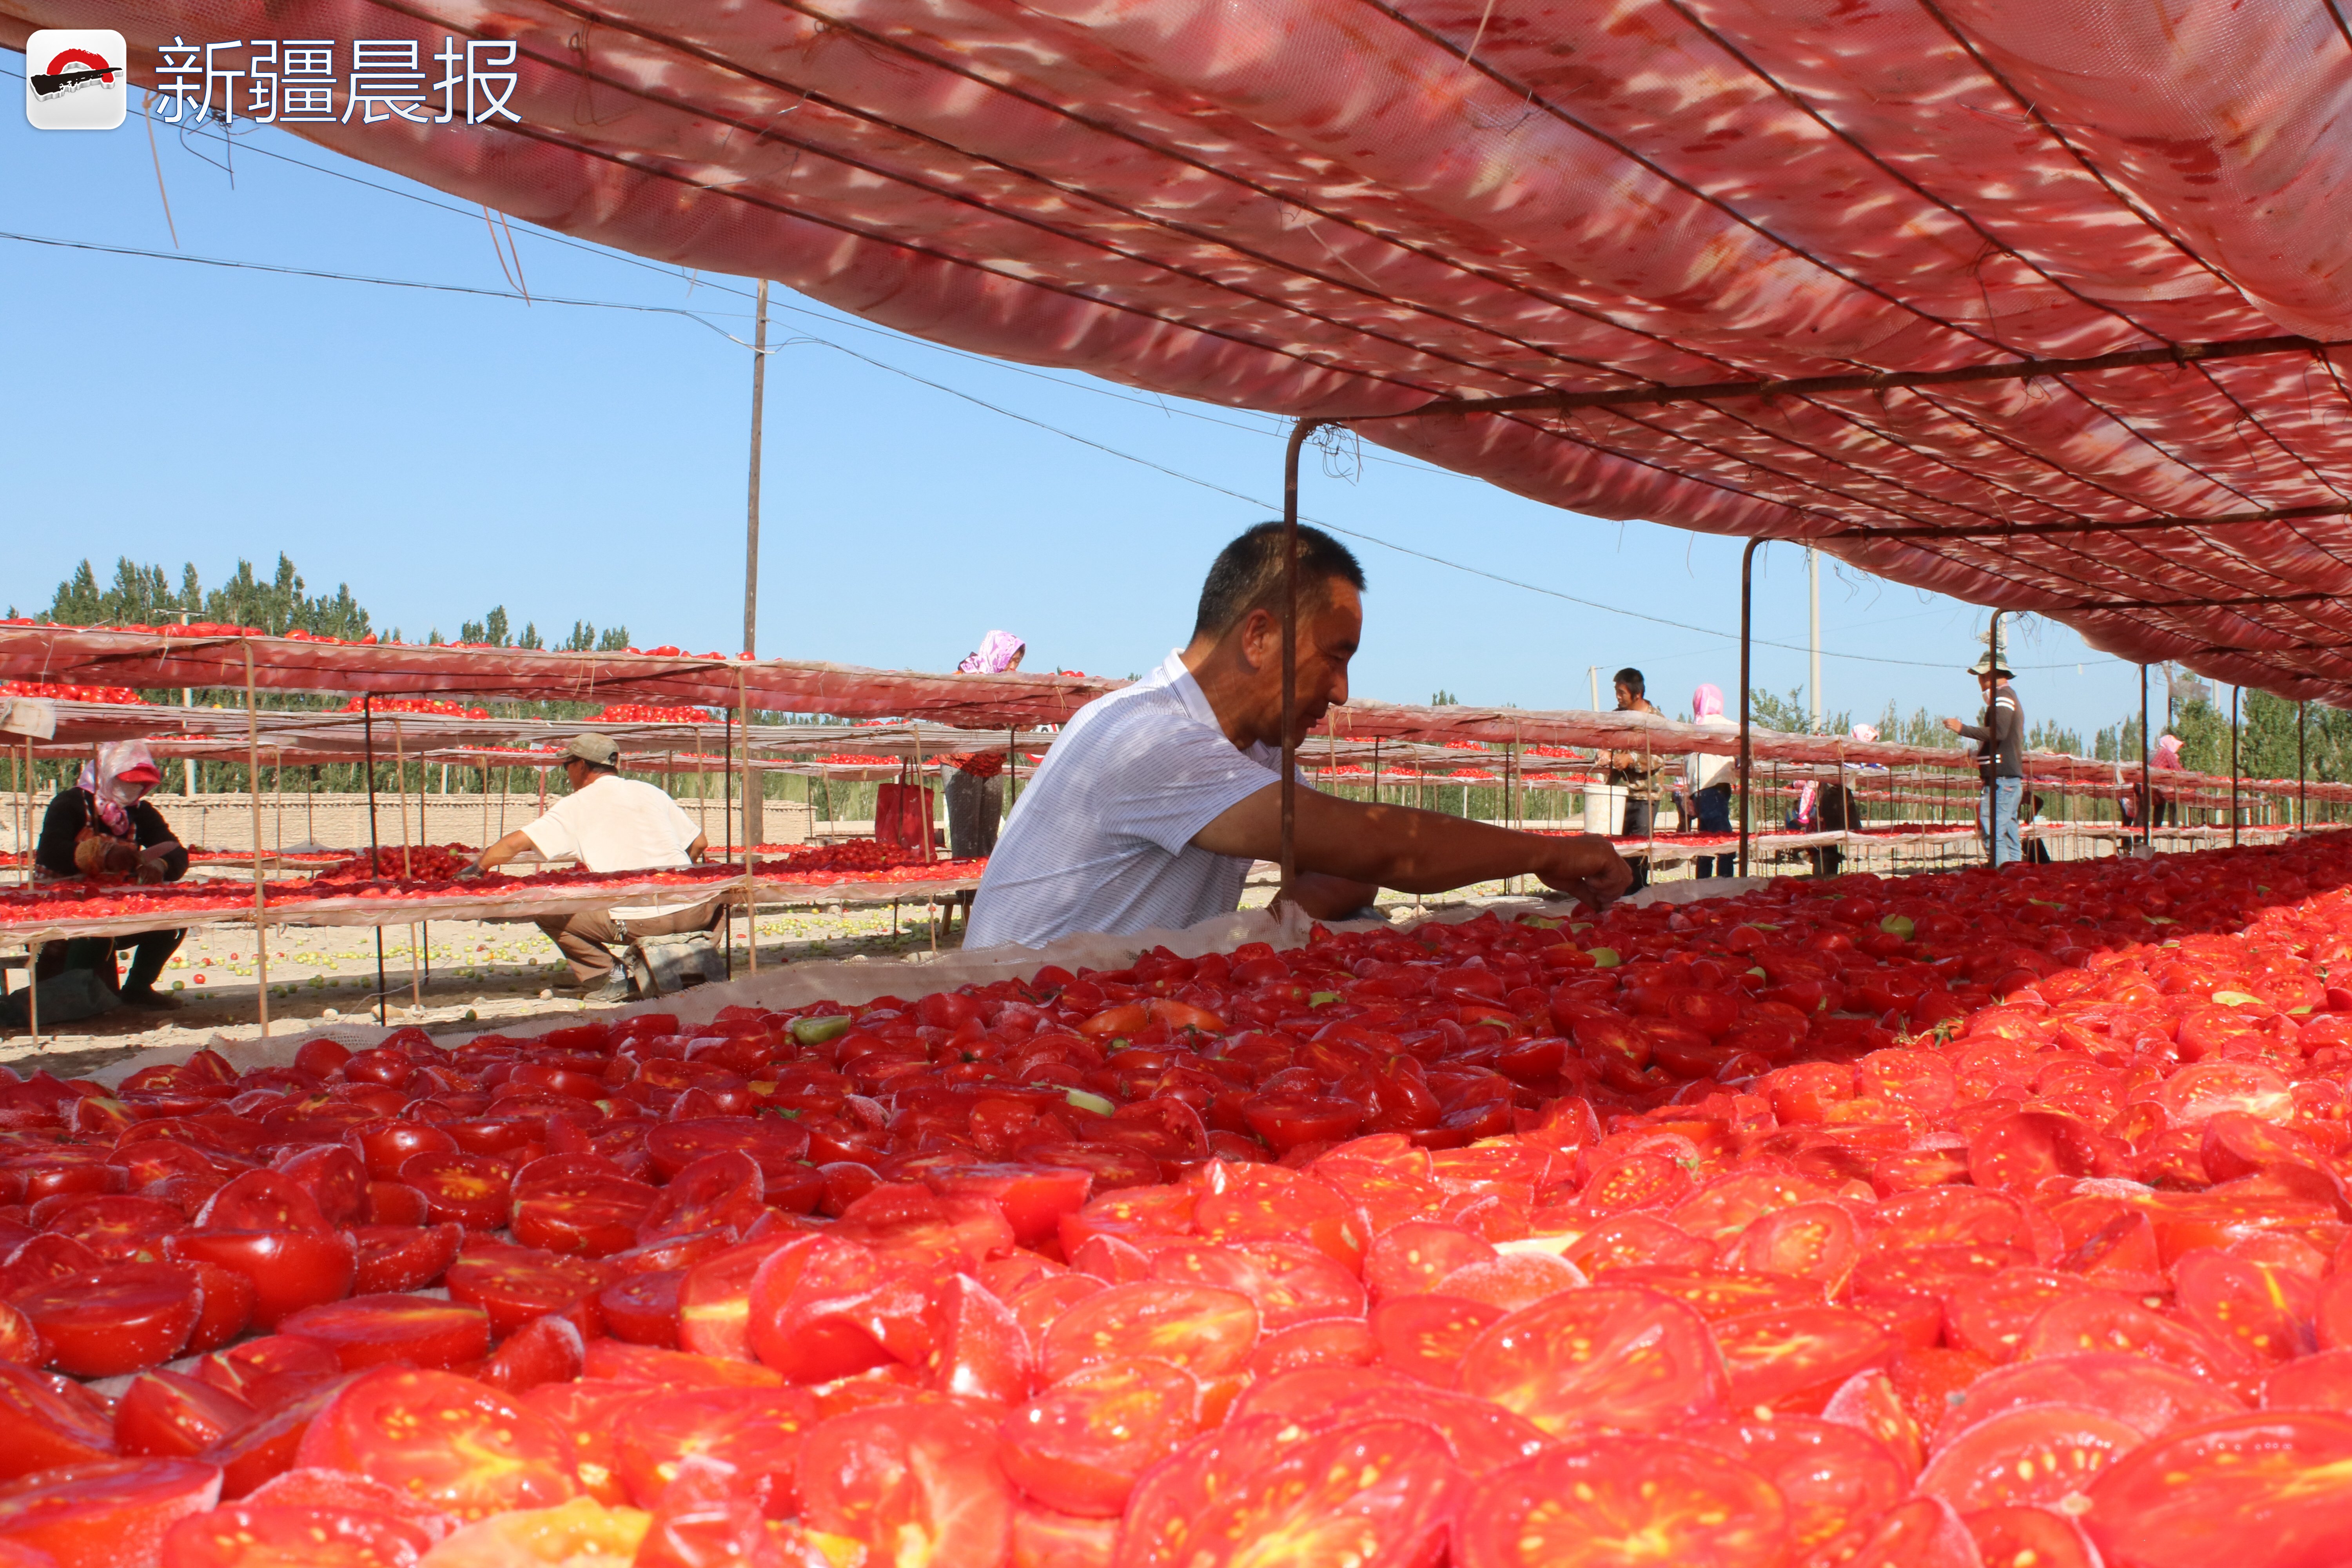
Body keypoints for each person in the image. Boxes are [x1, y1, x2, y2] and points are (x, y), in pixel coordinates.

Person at [965, 523, 1630, 949]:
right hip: (1020, 1023)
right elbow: (1380, 851)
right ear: (1258, 637)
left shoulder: (1254, 745)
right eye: (1334, 657)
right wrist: (1551, 854)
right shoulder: (1149, 738)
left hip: (1114, 1011)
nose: (1341, 692)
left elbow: (1347, 869)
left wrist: (1255, 931)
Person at [461, 734, 717, 1002]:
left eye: (566, 766)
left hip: (641, 922)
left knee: (544, 911)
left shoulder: (576, 805)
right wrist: (672, 879)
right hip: (697, 913)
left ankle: (612, 975)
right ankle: (700, 958)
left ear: (581, 765)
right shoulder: (650, 792)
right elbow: (699, 843)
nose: (567, 773)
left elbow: (514, 844)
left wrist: (478, 868)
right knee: (720, 896)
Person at [25, 740, 188, 1013]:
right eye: (127, 782)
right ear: (106, 775)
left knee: (172, 923)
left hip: (115, 903)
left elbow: (177, 852)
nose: (134, 789)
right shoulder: (70, 804)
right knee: (93, 928)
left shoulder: (140, 813)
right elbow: (51, 852)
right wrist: (99, 856)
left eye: (140, 784)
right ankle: (68, 995)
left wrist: (160, 864)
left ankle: (138, 988)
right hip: (64, 903)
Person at [947, 631, 1025, 860]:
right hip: (961, 762)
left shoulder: (1010, 689)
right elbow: (956, 714)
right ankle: (966, 894)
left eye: (1018, 662)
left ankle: (986, 891)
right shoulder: (966, 677)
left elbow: (1020, 726)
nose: (1014, 667)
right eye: (1011, 660)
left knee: (989, 835)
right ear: (998, 655)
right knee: (965, 833)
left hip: (992, 764)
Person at [1944, 648, 2024, 868]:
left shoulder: (2003, 698)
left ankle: (2002, 874)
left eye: (1981, 676)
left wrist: (1963, 729)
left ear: (1989, 675)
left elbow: (1998, 732)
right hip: (2006, 780)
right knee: (2008, 833)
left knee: (1994, 831)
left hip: (2002, 780)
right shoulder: (2006, 698)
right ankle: (2015, 878)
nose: (1980, 681)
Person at [1607, 668, 1666, 891]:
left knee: (1638, 852)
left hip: (1645, 796)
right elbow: (1606, 744)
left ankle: (1638, 898)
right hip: (1619, 794)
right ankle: (1618, 895)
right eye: (1616, 691)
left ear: (1637, 694)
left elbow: (1659, 757)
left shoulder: (1656, 721)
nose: (1618, 697)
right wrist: (1606, 755)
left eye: (1622, 692)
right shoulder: (1616, 717)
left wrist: (1631, 759)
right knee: (1616, 850)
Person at [1681, 683, 1738, 877]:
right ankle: (1725, 881)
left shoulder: (1694, 728)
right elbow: (1745, 742)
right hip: (1714, 789)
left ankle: (1703, 882)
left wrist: (1689, 796)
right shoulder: (1725, 726)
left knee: (1706, 841)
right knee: (1724, 839)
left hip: (1699, 792)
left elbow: (1689, 768)